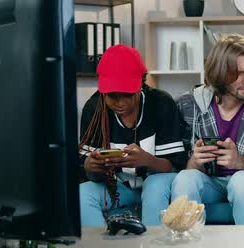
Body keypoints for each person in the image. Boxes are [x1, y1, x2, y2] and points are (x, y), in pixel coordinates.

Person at [171, 34, 244, 224]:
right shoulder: (187, 105)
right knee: (186, 178)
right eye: (238, 74)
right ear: (220, 72)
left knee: (242, 181)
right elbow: (174, 166)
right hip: (209, 183)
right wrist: (194, 163)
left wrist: (241, 162)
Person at [79, 44, 186, 226]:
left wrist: (147, 161)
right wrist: (91, 167)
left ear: (141, 84)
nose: (120, 103)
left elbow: (176, 168)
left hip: (158, 184)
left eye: (128, 95)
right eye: (112, 96)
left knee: (154, 185)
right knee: (82, 194)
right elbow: (90, 175)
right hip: (117, 188)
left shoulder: (161, 103)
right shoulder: (94, 108)